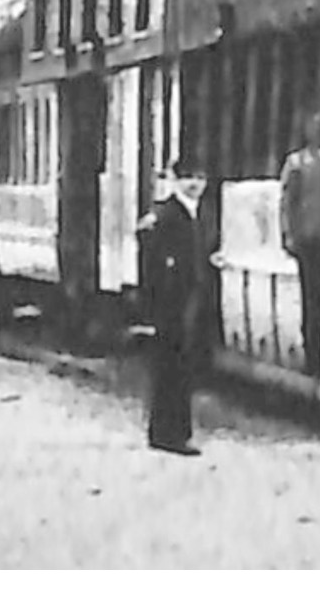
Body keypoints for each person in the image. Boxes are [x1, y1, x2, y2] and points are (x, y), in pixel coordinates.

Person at [137, 158, 217, 456]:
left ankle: (172, 431)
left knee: (180, 367)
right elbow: (156, 261)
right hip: (172, 304)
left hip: (187, 300)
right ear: (174, 179)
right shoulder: (169, 213)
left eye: (199, 177)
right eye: (188, 178)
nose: (195, 184)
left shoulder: (196, 213)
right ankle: (169, 434)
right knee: (172, 368)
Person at [280, 114, 320, 376]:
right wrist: (290, 234)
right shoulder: (297, 163)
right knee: (312, 297)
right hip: (309, 238)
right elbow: (288, 202)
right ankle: (312, 354)